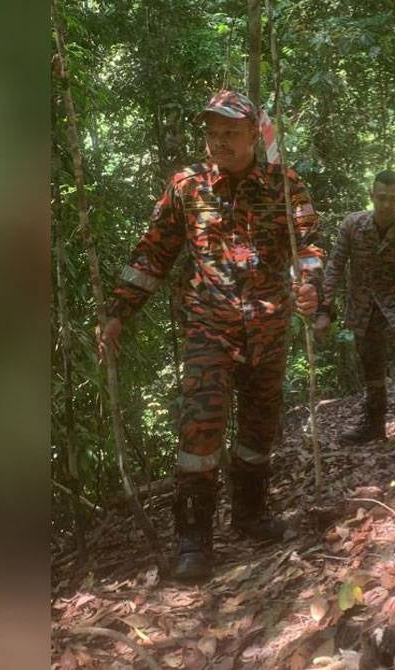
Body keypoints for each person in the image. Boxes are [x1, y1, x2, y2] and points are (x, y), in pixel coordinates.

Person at [97, 89, 324, 582]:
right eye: (212, 133)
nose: (218, 141)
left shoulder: (284, 184)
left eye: (230, 133)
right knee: (200, 430)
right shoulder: (187, 186)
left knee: (259, 429)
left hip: (269, 327)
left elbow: (308, 244)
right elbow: (153, 252)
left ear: (252, 136)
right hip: (209, 329)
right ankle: (193, 540)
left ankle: (249, 514)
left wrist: (311, 287)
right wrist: (118, 311)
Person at [314, 170, 395, 445]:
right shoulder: (352, 225)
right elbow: (334, 266)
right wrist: (323, 310)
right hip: (363, 306)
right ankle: (374, 424)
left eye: (392, 199)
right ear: (371, 196)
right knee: (372, 367)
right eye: (381, 198)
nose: (386, 205)